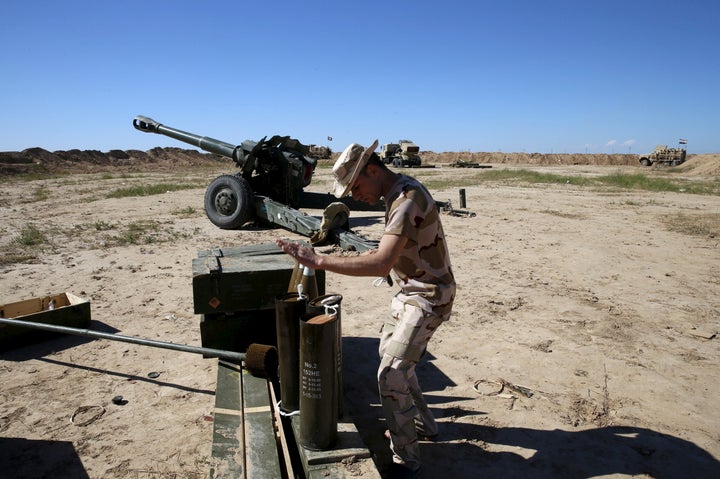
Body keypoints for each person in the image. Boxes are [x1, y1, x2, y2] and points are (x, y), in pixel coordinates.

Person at [276, 140, 455, 478]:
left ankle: (406, 461)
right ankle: (422, 425)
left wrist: (318, 261)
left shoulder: (406, 199)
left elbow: (381, 263)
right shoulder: (397, 193)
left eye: (356, 186)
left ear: (373, 171)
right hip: (409, 292)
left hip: (429, 296)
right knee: (394, 359)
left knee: (391, 375)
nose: (355, 196)